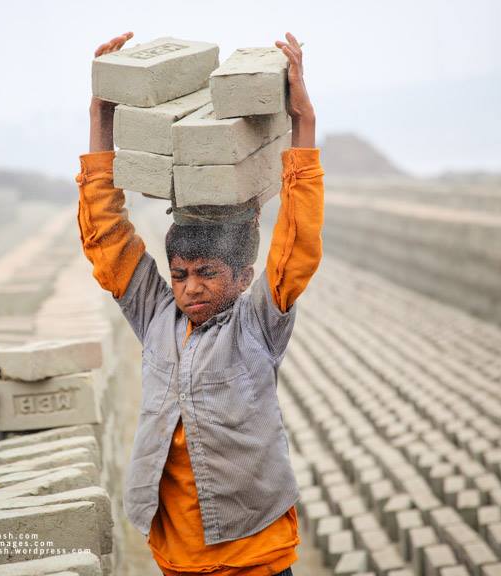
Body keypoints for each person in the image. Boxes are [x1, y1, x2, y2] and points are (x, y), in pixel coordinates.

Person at [75, 30, 324, 576]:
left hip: (255, 556)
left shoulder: (256, 325)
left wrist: (303, 122)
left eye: (207, 274)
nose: (190, 288)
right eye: (180, 275)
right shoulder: (156, 316)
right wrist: (101, 113)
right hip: (176, 557)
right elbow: (106, 239)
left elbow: (296, 246)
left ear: (243, 276)